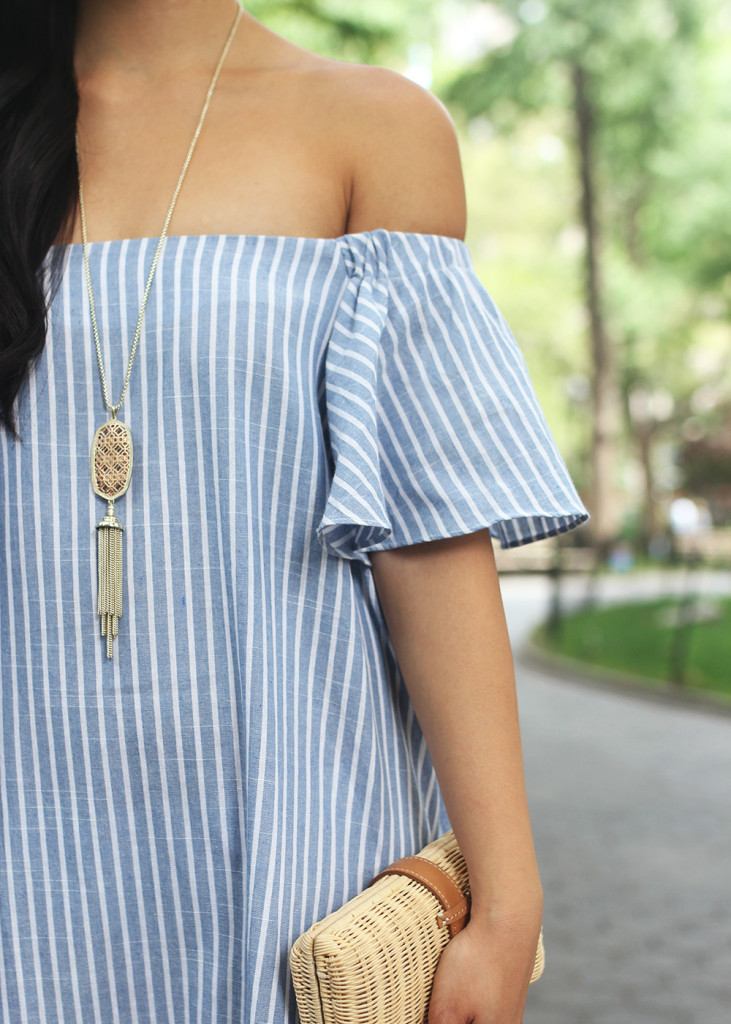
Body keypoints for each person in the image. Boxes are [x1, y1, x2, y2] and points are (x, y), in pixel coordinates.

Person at [0, 1, 590, 1022]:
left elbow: (428, 529)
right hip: (27, 854)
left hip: (290, 855)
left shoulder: (371, 127)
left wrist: (506, 899)